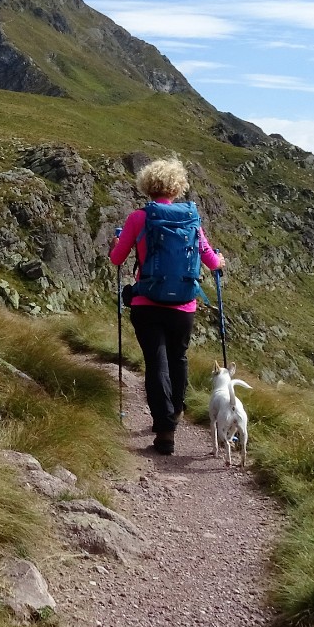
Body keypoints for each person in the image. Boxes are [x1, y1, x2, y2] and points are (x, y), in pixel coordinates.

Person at [109, 157, 225, 455]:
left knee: (156, 363)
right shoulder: (190, 219)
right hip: (183, 306)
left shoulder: (139, 218)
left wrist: (120, 242)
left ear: (147, 186)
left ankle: (164, 431)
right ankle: (175, 412)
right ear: (178, 186)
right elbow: (210, 259)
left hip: (146, 303)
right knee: (179, 359)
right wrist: (220, 260)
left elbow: (117, 259)